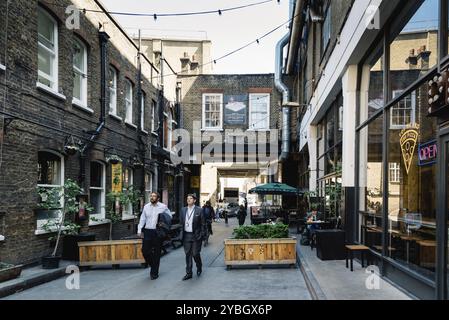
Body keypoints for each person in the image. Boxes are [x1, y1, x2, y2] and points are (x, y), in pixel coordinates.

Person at [137, 192, 172, 280]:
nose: (152, 197)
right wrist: (139, 230)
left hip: (158, 232)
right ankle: (153, 265)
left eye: (154, 196)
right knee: (145, 251)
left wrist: (163, 222)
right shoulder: (146, 206)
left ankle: (154, 273)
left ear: (158, 198)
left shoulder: (163, 207)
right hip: (148, 231)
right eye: (151, 196)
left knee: (157, 253)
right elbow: (142, 219)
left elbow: (169, 217)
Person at [180, 194, 206, 280]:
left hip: (196, 235)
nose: (188, 200)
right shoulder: (183, 210)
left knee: (195, 254)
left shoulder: (199, 210)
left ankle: (199, 266)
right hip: (186, 235)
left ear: (194, 200)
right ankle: (189, 273)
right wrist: (181, 234)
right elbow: (181, 223)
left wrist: (202, 235)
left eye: (190, 198)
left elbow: (203, 224)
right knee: (188, 254)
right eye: (187, 198)